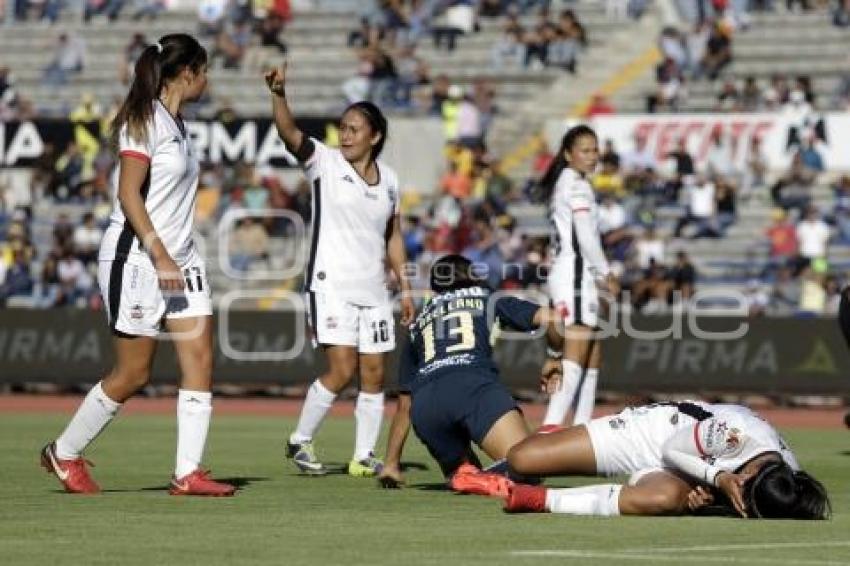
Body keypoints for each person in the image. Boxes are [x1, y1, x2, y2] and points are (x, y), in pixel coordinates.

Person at [40, 34, 235, 497]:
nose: (207, 80)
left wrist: (175, 254)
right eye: (204, 72)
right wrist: (159, 251)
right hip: (139, 258)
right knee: (133, 375)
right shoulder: (144, 121)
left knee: (201, 359)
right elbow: (129, 194)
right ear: (186, 73)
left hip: (181, 259)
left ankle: (188, 473)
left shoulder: (178, 124)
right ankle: (63, 453)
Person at [265, 62, 416, 478]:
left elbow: (394, 237)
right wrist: (278, 95)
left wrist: (406, 288)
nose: (345, 134)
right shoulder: (324, 162)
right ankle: (300, 439)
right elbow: (289, 134)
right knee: (342, 369)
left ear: (376, 136)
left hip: (374, 289)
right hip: (331, 284)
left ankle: (364, 454)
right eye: (343, 127)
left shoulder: (389, 180)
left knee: (374, 373)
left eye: (354, 128)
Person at [377, 254, 567, 490]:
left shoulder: (418, 323)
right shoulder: (486, 298)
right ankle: (486, 474)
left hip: (426, 407)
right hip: (473, 387)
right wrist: (555, 357)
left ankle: (469, 474)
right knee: (529, 467)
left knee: (467, 473)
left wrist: (391, 465)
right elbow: (554, 319)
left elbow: (404, 405)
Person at [503, 399, 830, 520]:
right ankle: (558, 434)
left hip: (687, 470)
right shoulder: (736, 434)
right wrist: (717, 480)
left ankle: (541, 499)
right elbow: (673, 450)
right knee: (522, 460)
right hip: (653, 435)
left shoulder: (787, 478)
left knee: (664, 499)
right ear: (746, 476)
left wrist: (706, 500)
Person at [538, 125, 617, 430]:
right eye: (585, 150)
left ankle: (584, 426)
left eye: (595, 150)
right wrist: (604, 273)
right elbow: (584, 234)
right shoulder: (577, 186)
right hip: (575, 273)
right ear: (568, 154)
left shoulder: (567, 181)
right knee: (578, 346)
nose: (592, 156)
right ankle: (550, 428)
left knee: (593, 348)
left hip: (569, 271)